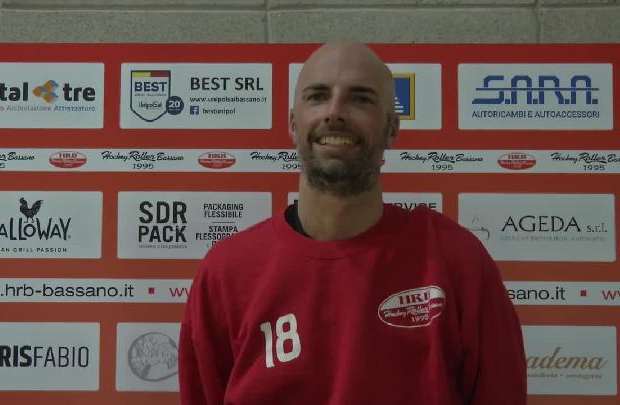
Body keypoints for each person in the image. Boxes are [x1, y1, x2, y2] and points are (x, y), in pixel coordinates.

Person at [179, 41, 526, 405]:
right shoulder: (226, 273)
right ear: (293, 124)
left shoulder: (456, 261)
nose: (334, 112)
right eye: (317, 97)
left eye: (360, 99)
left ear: (392, 128)